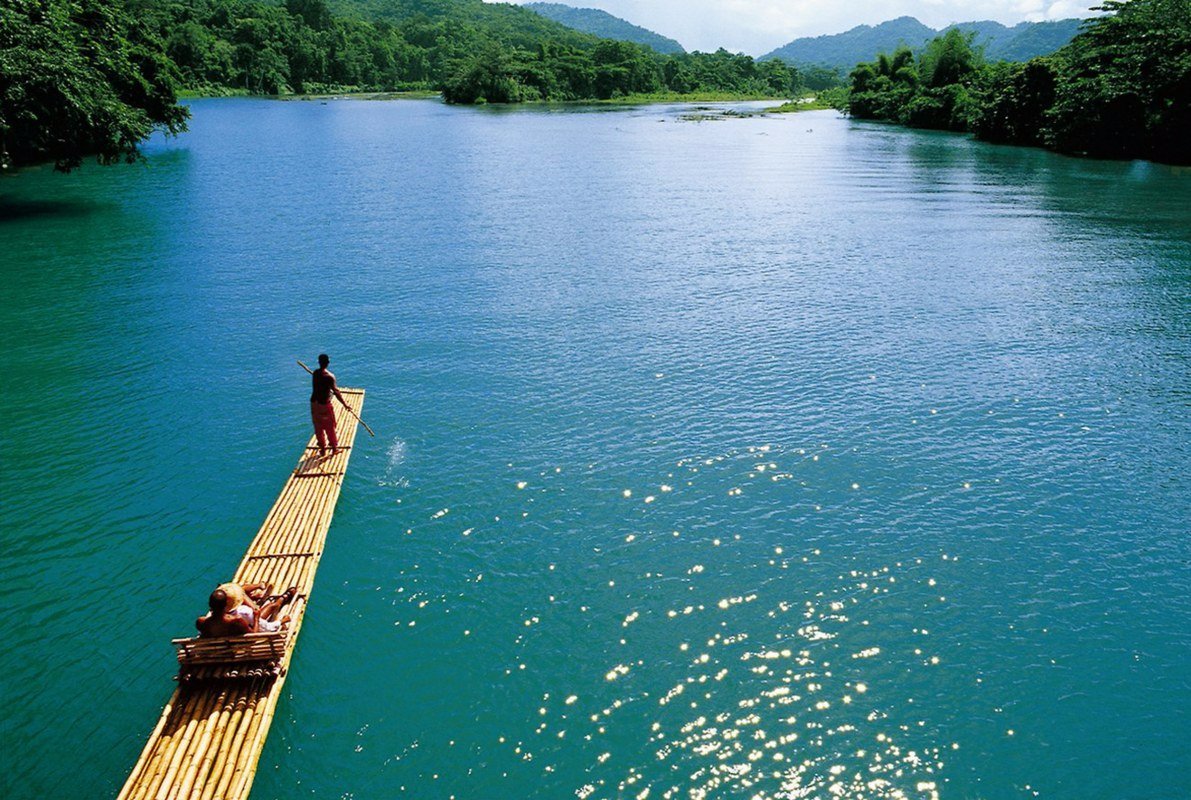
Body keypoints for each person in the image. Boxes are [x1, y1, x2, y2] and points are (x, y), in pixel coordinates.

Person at [196, 584, 296, 637]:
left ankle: (278, 599)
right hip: (241, 646)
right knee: (268, 608)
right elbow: (253, 636)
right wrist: (256, 618)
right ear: (226, 605)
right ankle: (282, 602)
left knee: (262, 610)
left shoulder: (201, 622)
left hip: (221, 647)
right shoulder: (236, 620)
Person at [311, 353, 348, 456]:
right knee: (329, 426)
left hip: (314, 404)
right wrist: (345, 404)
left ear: (319, 362)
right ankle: (334, 448)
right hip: (323, 405)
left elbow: (320, 387)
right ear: (328, 363)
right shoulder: (330, 377)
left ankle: (322, 449)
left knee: (318, 426)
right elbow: (336, 392)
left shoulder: (315, 373)